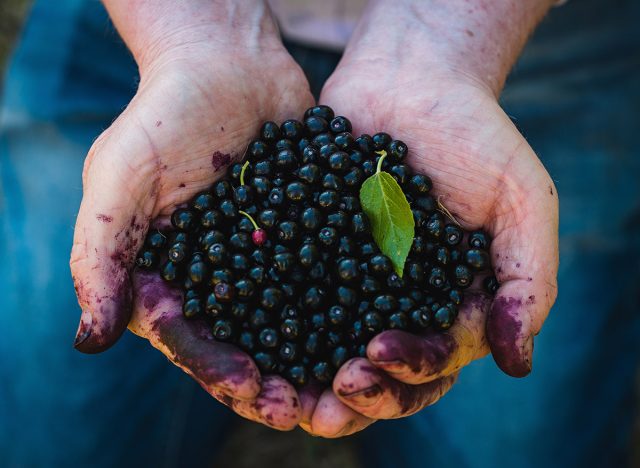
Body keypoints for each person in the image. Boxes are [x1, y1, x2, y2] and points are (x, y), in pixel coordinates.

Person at [1, 0, 638, 466]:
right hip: (156, 29)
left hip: (524, 41)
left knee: (514, 448)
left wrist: (444, 39)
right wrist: (198, 35)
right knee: (61, 435)